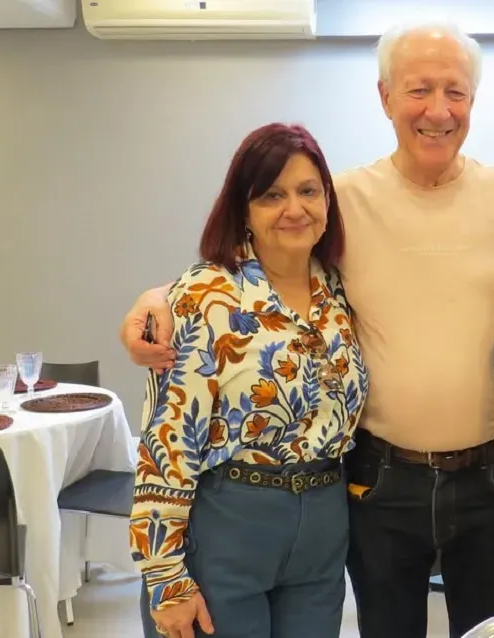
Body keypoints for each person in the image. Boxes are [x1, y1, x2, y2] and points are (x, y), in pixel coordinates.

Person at [120, 22, 494, 638]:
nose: (437, 110)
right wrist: (159, 300)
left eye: (454, 92)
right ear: (386, 97)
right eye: (419, 90)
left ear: (472, 101)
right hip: (380, 482)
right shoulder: (341, 200)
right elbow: (261, 263)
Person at [129, 122, 369, 638]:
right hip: (230, 519)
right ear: (243, 210)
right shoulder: (206, 296)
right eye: (272, 195)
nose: (294, 209)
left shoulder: (338, 291)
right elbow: (167, 440)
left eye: (308, 191)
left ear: (328, 201)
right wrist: (164, 576)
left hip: (324, 521)